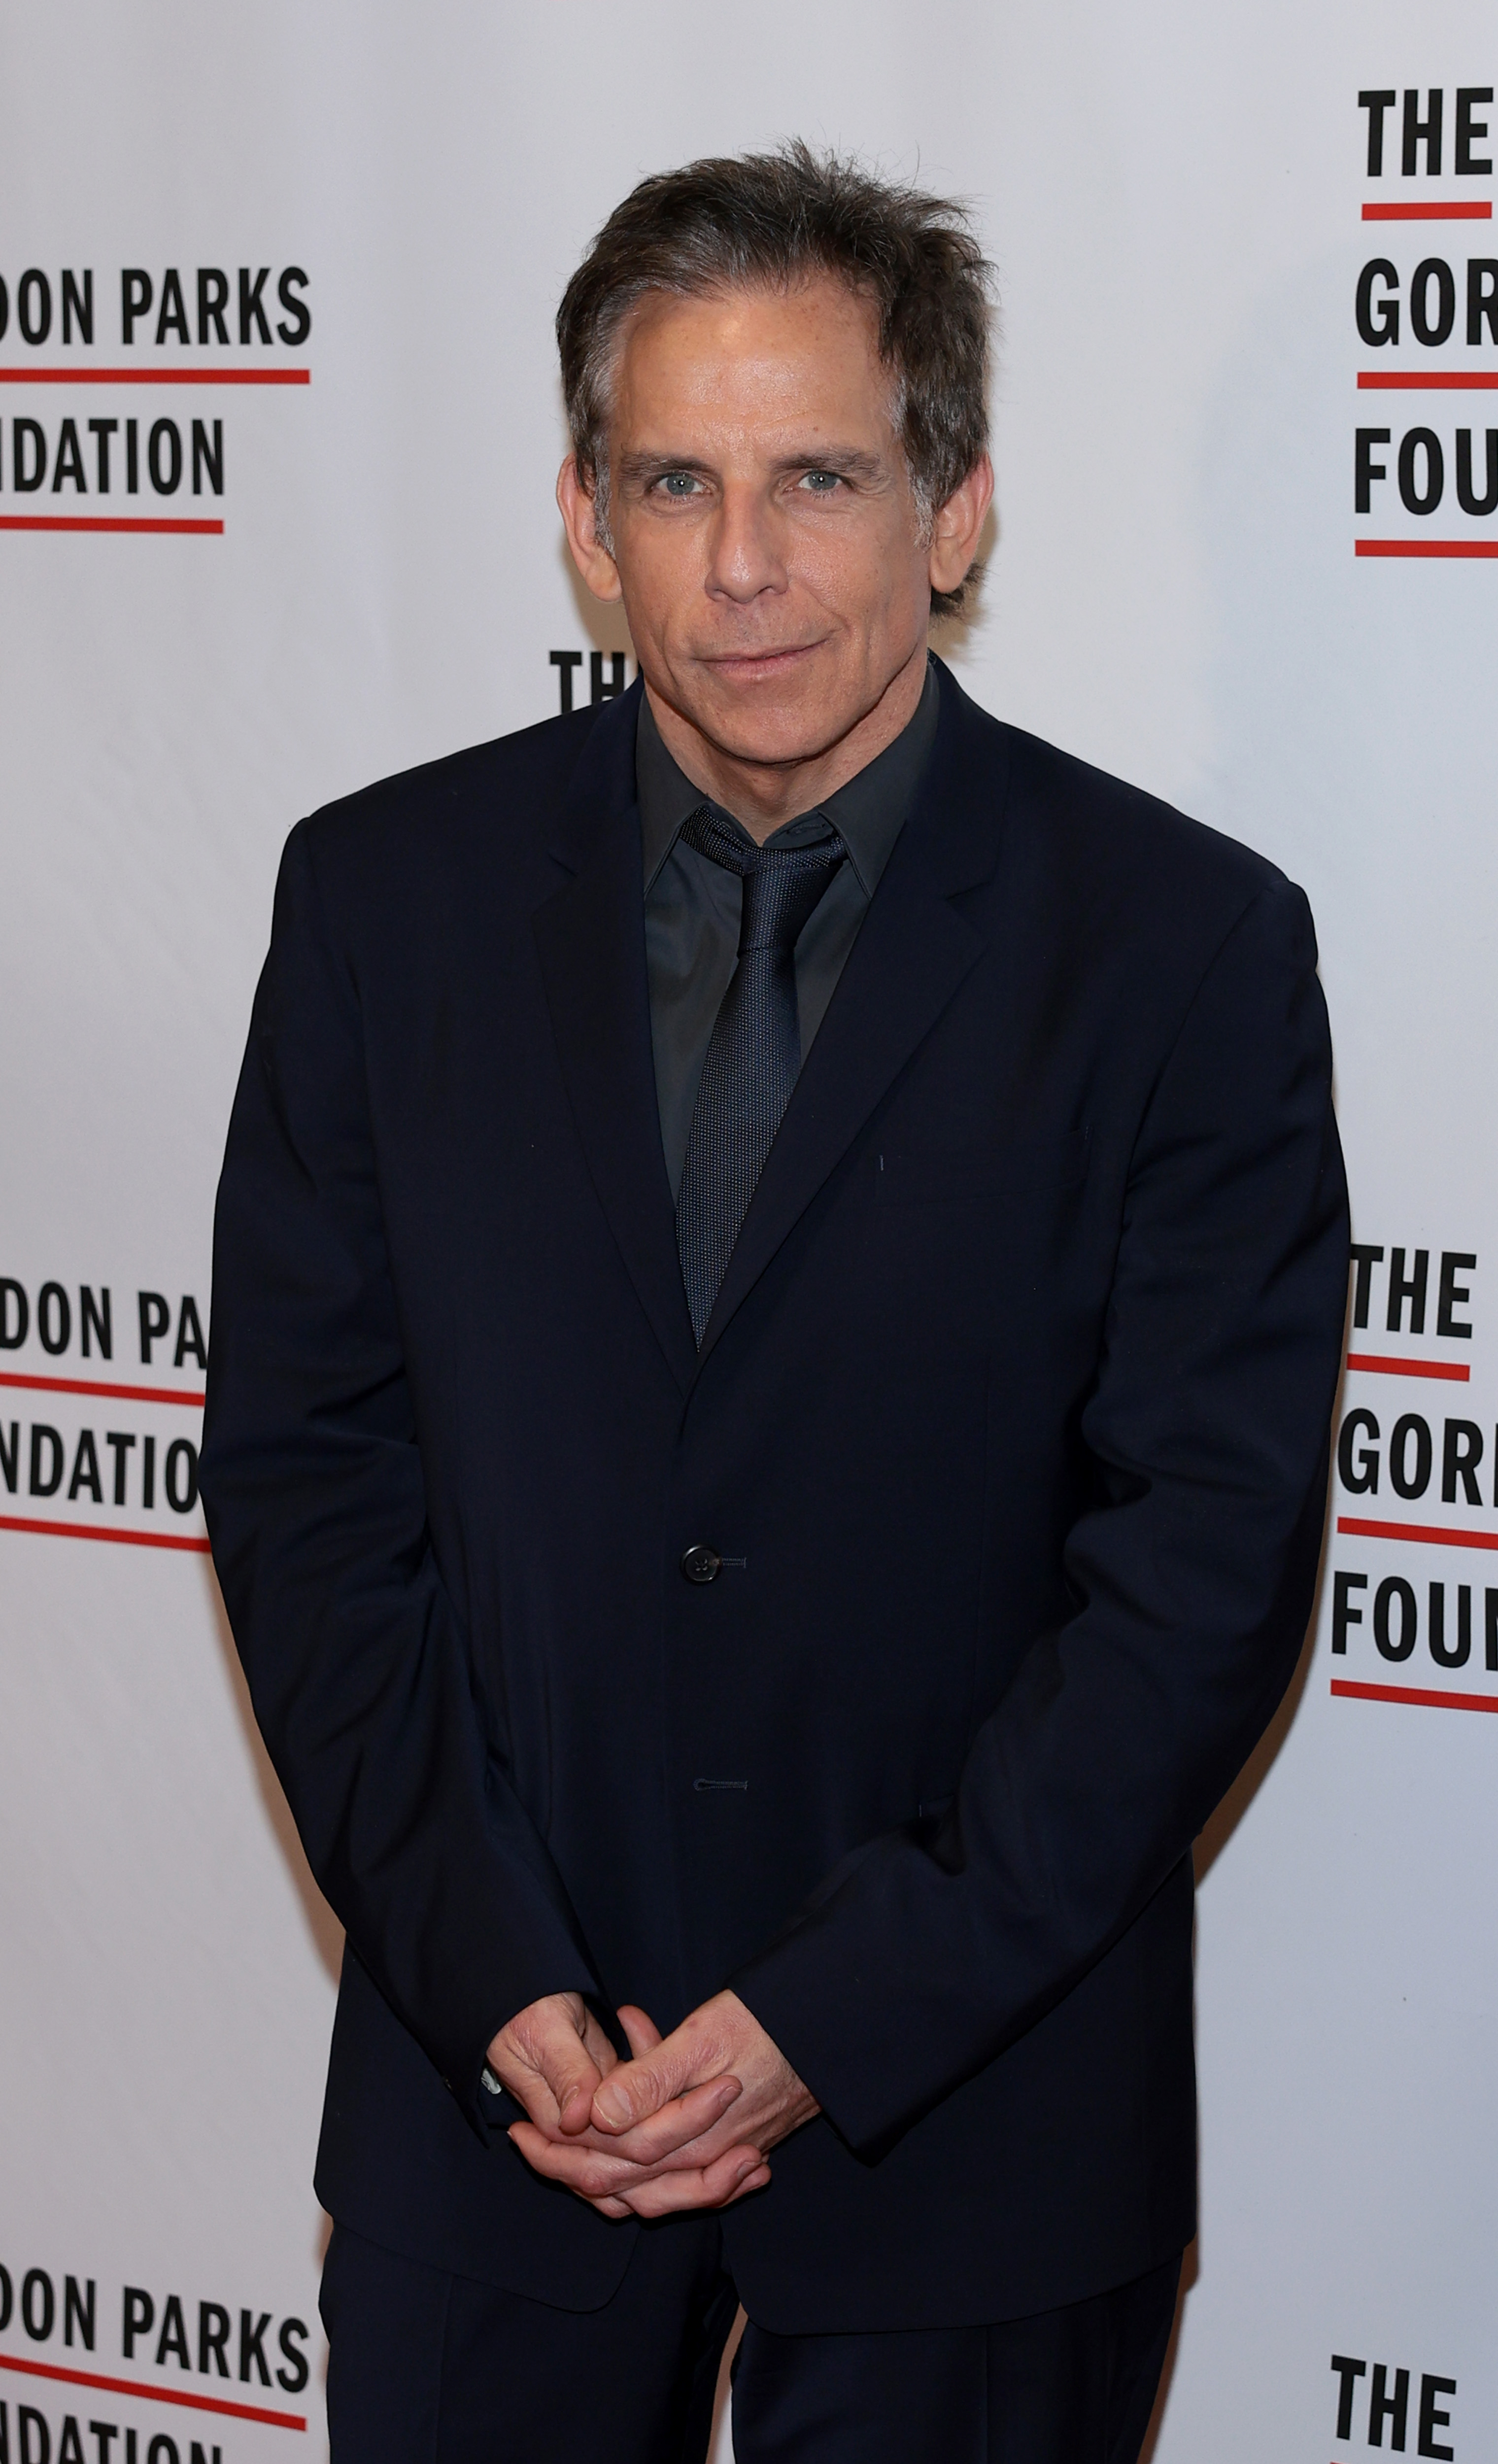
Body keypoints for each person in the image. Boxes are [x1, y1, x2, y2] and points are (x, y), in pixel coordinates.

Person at [200, 142, 1349, 2463]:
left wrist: (835, 2008)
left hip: (978, 2134)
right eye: (675, 479)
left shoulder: (1183, 949)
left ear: (956, 508)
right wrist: (492, 1967)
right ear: (581, 515)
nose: (740, 566)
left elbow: (1197, 1575)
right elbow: (309, 1490)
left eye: (818, 476)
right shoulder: (378, 902)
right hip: (493, 2110)